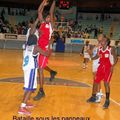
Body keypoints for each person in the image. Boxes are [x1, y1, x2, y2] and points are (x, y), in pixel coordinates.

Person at [18, 34, 48, 115]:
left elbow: (30, 35)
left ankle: (26, 102)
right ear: (35, 40)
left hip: (26, 68)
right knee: (30, 89)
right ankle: (22, 107)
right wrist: (50, 44)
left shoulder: (25, 46)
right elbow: (46, 54)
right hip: (31, 69)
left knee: (28, 87)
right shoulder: (36, 47)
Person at [33, 0, 56, 101]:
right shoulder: (42, 23)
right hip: (39, 48)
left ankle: (41, 91)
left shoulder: (51, 26)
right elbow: (39, 12)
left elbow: (51, 12)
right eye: (47, 17)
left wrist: (54, 2)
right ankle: (41, 89)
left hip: (45, 50)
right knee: (39, 69)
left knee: (40, 70)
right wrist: (43, 3)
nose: (48, 18)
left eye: (49, 18)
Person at [87, 37, 117, 109]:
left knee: (106, 83)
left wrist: (113, 66)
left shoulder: (110, 49)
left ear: (106, 42)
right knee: (96, 81)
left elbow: (116, 58)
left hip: (108, 68)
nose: (101, 41)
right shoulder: (100, 49)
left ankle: (107, 100)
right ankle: (94, 96)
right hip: (101, 67)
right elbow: (97, 57)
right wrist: (90, 57)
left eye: (103, 40)